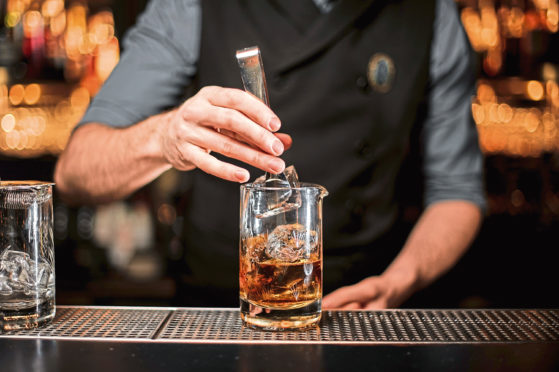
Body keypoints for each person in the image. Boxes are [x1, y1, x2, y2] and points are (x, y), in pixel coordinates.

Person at [54, 0, 485, 309]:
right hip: (218, 311)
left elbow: (458, 190)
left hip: (364, 304)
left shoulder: (432, 14)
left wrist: (398, 282)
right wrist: (164, 137)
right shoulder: (190, 7)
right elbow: (75, 172)